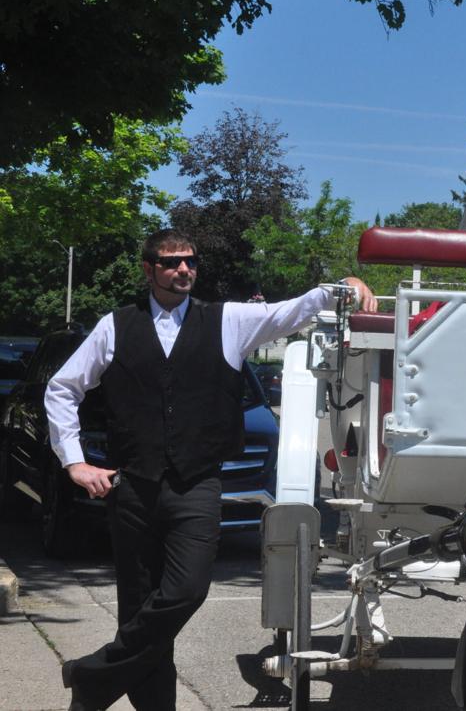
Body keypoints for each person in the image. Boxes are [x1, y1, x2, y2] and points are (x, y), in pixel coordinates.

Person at [46, 229, 376, 710]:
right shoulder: (114, 326)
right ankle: (109, 698)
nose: (183, 270)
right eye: (171, 263)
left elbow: (288, 311)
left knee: (186, 590)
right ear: (148, 269)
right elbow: (62, 388)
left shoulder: (228, 320)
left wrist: (336, 287)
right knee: (139, 610)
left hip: (196, 485)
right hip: (132, 487)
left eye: (190, 262)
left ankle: (90, 675)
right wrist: (74, 460)